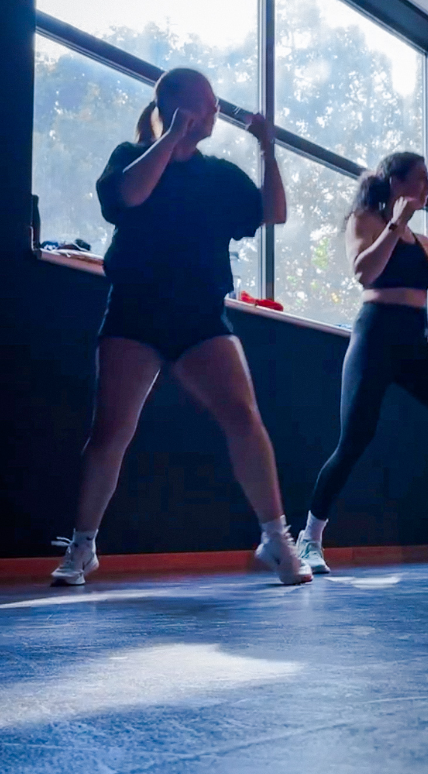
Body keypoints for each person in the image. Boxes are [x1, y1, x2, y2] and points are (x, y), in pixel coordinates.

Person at [51, 68, 312, 586]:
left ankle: (276, 538)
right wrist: (170, 136)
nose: (214, 112)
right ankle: (83, 547)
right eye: (205, 103)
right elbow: (128, 198)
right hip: (134, 310)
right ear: (173, 106)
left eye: (216, 105)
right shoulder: (130, 157)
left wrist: (266, 147)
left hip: (199, 315)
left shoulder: (220, 177)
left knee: (244, 417)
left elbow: (274, 213)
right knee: (110, 432)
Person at [295, 152, 428, 574]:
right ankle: (310, 539)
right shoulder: (366, 220)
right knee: (354, 439)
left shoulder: (426, 243)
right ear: (396, 181)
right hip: (375, 334)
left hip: (413, 341)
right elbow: (365, 273)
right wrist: (396, 223)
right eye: (423, 180)